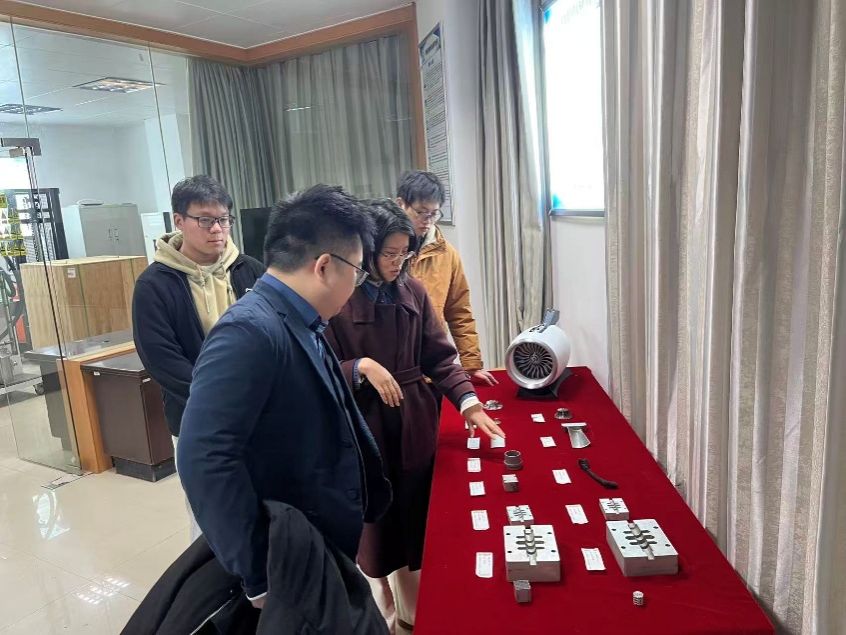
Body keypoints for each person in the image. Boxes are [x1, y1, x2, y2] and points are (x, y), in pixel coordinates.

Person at [176, 184, 392, 611]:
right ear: (324, 266)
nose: (356, 285)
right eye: (357, 272)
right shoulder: (249, 331)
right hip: (287, 557)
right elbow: (205, 457)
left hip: (317, 539)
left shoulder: (298, 318)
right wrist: (259, 575)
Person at [325, 199, 504, 633]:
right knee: (379, 524)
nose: (398, 262)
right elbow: (317, 366)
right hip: (365, 424)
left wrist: (468, 402)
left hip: (415, 418)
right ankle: (387, 604)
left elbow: (439, 356)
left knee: (419, 514)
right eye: (389, 253)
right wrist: (358, 368)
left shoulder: (414, 291)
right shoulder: (338, 299)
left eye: (405, 253)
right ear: (366, 251)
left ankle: (417, 607)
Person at [132, 175, 264, 540]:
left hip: (259, 411)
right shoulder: (154, 285)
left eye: (223, 219)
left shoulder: (250, 270)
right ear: (179, 220)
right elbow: (161, 359)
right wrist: (220, 401)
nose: (217, 229)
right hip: (197, 417)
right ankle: (213, 575)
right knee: (209, 515)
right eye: (205, 220)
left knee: (263, 501)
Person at [396, 170, 498, 386]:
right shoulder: (383, 252)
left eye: (434, 214)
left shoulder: (447, 254)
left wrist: (471, 364)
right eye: (421, 212)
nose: (427, 221)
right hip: (392, 368)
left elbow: (459, 311)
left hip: (431, 364)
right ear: (400, 204)